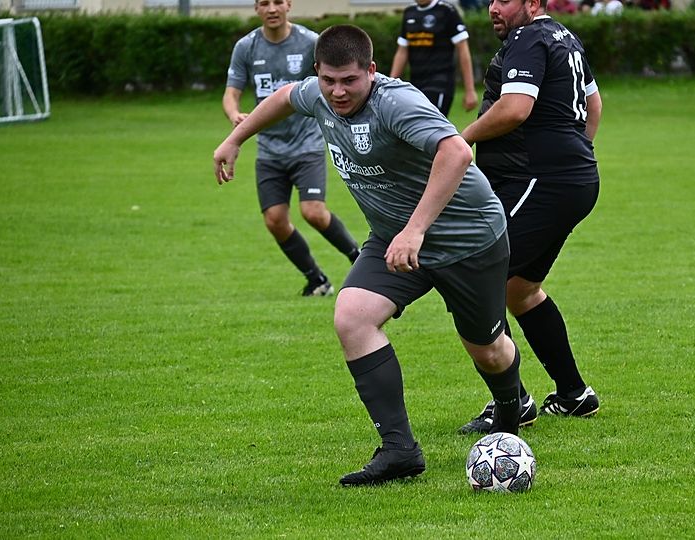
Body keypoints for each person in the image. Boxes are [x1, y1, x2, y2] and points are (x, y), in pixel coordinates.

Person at [214, 24, 525, 487]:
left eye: (350, 81)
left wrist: (416, 230)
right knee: (352, 316)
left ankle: (510, 410)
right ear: (317, 73)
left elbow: (458, 153)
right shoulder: (317, 94)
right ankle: (400, 450)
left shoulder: (396, 104)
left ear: (372, 71)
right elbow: (283, 97)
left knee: (488, 349)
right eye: (328, 80)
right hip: (393, 239)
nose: (338, 92)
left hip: (468, 238)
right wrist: (236, 139)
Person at [456, 0, 603, 434]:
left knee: (473, 280)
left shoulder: (528, 37)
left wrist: (461, 139)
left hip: (541, 181)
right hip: (567, 181)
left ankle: (513, 401)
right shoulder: (563, 36)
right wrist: (576, 155)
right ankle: (574, 394)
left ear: (533, 3)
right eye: (491, 0)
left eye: (505, 0)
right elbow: (594, 106)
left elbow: (515, 108)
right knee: (519, 290)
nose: (494, 8)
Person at [223, 0, 362, 296]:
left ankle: (358, 258)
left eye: (278, 2)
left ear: (289, 5)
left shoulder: (311, 42)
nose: (272, 9)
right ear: (256, 8)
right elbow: (231, 93)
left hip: (307, 144)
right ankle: (317, 279)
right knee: (274, 220)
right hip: (269, 149)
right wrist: (234, 113)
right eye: (264, 3)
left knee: (313, 212)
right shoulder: (246, 47)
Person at [389, 0, 478, 117]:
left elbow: (462, 49)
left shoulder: (446, 10)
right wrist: (390, 85)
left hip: (440, 84)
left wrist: (470, 90)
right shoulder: (409, 12)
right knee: (417, 126)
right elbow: (402, 51)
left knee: (431, 124)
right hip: (416, 85)